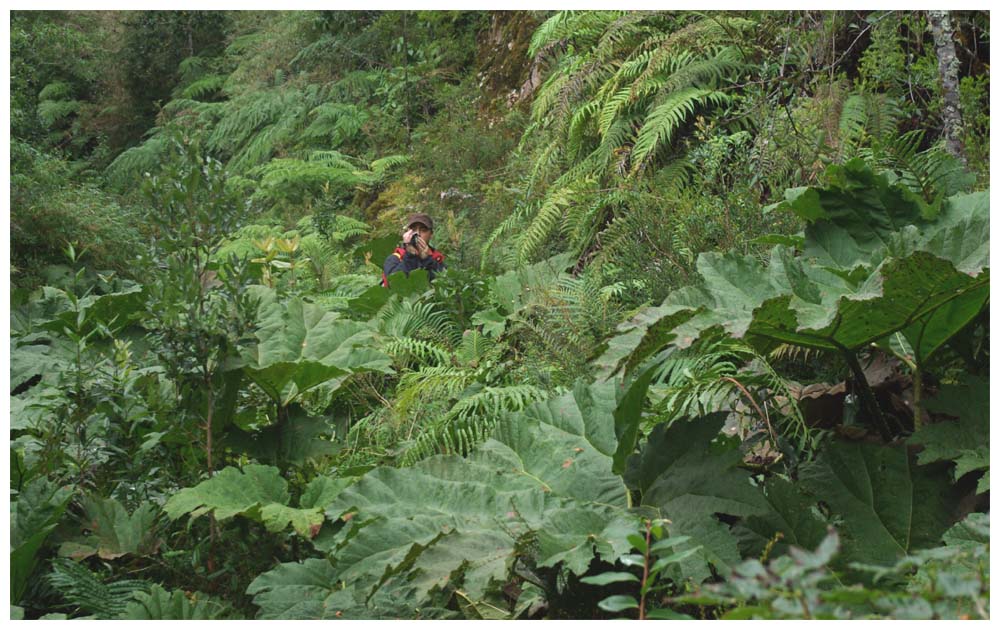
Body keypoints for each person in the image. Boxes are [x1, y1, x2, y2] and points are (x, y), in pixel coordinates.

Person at [381, 212, 445, 287]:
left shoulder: (437, 259)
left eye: (423, 230)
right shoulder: (395, 258)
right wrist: (410, 256)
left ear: (431, 234)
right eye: (413, 230)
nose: (417, 234)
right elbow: (393, 284)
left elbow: (443, 284)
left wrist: (427, 260)